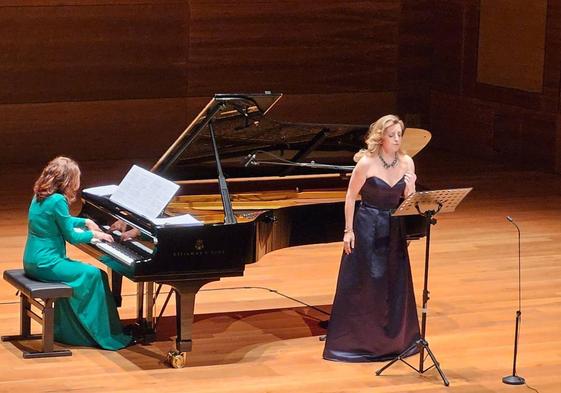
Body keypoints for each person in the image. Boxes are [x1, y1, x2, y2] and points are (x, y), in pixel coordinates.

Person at [322, 115, 421, 362]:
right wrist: (348, 230)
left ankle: (395, 338)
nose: (397, 139)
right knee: (365, 281)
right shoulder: (366, 163)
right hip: (367, 225)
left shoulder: (407, 162)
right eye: (392, 135)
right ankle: (359, 339)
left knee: (393, 281)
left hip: (395, 226)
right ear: (381, 137)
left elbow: (409, 201)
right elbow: (350, 196)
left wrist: (411, 189)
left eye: (400, 134)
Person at [23, 156, 132, 350]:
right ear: (67, 180)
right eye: (76, 178)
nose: (77, 183)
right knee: (94, 274)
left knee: (93, 273)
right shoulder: (58, 200)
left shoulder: (41, 195)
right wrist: (95, 235)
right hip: (47, 263)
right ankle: (102, 335)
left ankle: (71, 330)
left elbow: (60, 221)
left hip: (33, 260)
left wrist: (84, 222)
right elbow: (72, 237)